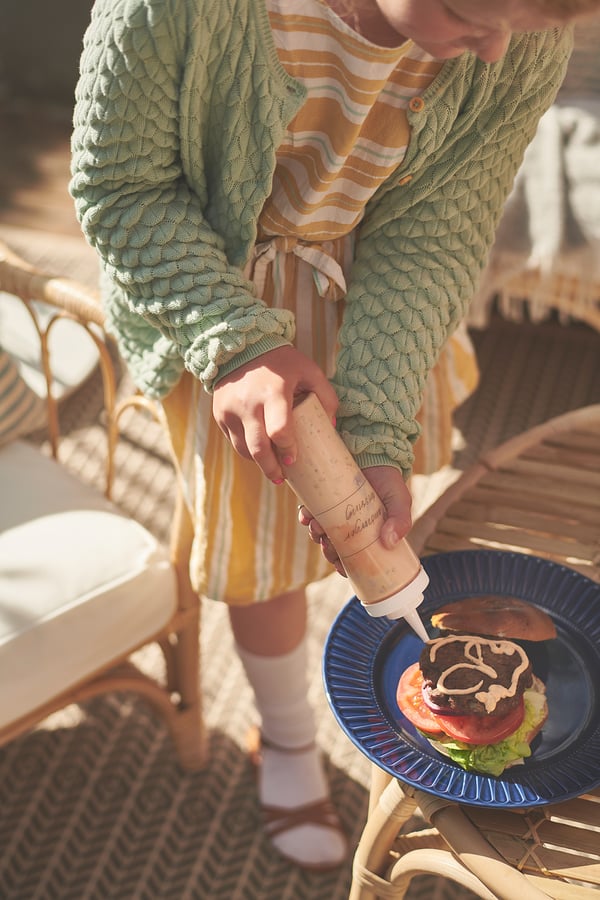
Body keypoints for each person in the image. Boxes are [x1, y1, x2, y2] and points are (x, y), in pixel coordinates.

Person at [70, 0, 599, 870]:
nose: (498, 48)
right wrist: (236, 344)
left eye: (525, 23)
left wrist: (379, 428)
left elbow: (432, 235)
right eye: (473, 11)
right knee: (264, 561)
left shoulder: (513, 45)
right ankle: (281, 736)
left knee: (375, 522)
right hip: (209, 289)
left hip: (377, 305)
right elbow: (120, 189)